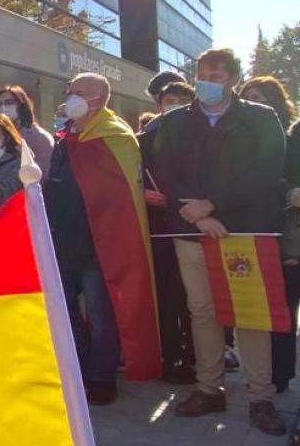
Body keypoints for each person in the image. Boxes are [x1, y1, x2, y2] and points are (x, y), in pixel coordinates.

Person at [151, 50, 287, 433]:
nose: (206, 80)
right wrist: (198, 213)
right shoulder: (175, 121)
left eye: (216, 74)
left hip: (243, 230)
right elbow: (164, 169)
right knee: (202, 310)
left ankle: (260, 397)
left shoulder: (260, 118)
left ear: (233, 78)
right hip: (192, 229)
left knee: (250, 312)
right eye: (201, 73)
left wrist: (215, 205)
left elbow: (266, 170)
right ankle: (209, 388)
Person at [46, 73, 159, 407]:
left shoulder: (116, 136)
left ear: (98, 99)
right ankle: (77, 369)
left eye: (78, 93)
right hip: (63, 240)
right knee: (66, 311)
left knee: (101, 314)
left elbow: (120, 195)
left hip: (99, 243)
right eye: (69, 92)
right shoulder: (65, 137)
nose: (71, 98)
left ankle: (101, 377)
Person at [239, 76, 300, 393]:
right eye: (247, 97)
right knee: (271, 309)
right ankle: (269, 374)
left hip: (288, 232)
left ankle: (279, 373)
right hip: (261, 232)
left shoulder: (292, 135)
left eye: (260, 97)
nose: (254, 103)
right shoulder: (238, 137)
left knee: (285, 307)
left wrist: (289, 190)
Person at [138, 79, 197, 385]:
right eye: (168, 100)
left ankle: (196, 357)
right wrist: (143, 194)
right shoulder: (143, 140)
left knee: (195, 299)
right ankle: (170, 355)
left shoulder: (203, 139)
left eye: (182, 100)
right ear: (159, 106)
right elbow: (131, 178)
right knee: (165, 295)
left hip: (193, 226)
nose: (174, 105)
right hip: (158, 228)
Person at [0, 85, 54, 178]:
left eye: (9, 103)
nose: (3, 107)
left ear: (22, 106)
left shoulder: (39, 137)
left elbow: (41, 176)